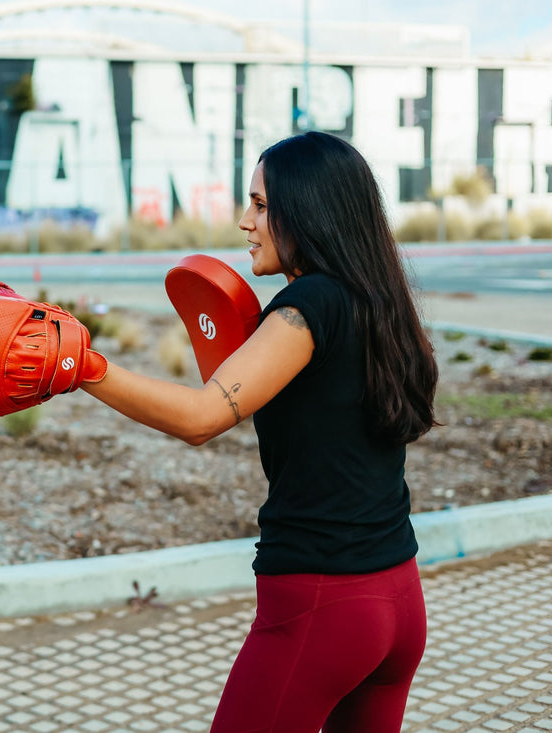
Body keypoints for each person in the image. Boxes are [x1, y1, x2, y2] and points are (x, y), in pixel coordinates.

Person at [79, 131, 439, 732]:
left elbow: (201, 419)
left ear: (311, 210)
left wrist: (82, 369)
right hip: (399, 600)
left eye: (262, 205)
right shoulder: (380, 300)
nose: (247, 222)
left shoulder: (305, 307)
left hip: (324, 607)